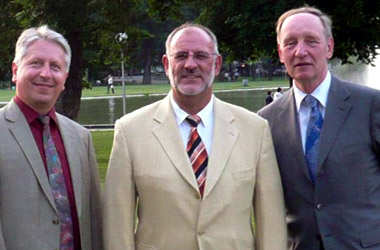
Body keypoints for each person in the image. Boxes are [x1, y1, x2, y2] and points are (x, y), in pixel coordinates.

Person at [104, 23, 287, 250]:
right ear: (166, 64)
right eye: (181, 56)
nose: (190, 64)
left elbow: (272, 225)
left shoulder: (255, 130)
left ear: (217, 64)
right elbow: (117, 227)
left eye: (201, 56)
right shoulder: (130, 131)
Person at [258, 6, 380, 250]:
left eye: (311, 41)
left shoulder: (370, 105)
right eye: (290, 43)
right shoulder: (265, 121)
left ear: (329, 47)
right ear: (281, 52)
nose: (300, 51)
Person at [0, 25, 103, 250]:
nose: (45, 74)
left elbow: (94, 219)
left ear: (64, 78)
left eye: (55, 66)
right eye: (36, 63)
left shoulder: (80, 137)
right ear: (16, 70)